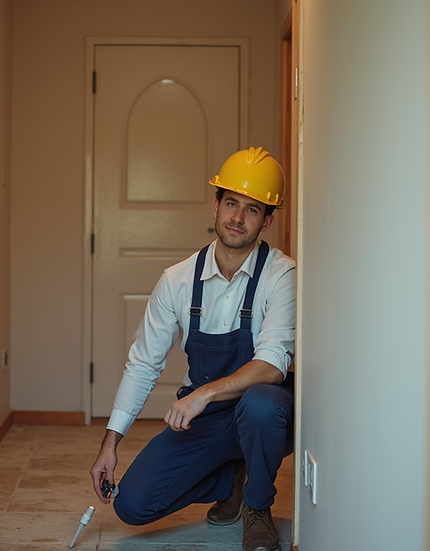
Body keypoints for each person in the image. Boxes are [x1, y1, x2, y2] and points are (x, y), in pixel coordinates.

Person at [89, 146, 296, 551]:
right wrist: (110, 444)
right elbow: (142, 364)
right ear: (215, 206)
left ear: (267, 220)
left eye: (252, 209)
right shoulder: (177, 280)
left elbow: (272, 364)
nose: (237, 217)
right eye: (231, 203)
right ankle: (232, 479)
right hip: (210, 419)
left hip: (263, 416)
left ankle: (257, 505)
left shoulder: (281, 276)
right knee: (132, 504)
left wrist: (203, 394)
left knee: (261, 404)